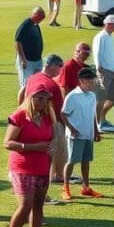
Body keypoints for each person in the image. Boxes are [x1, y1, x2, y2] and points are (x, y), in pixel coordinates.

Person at [3, 78, 56, 227]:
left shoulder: (48, 117)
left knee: (38, 207)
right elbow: (8, 143)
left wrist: (48, 155)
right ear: (30, 97)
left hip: (42, 167)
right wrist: (34, 147)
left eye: (45, 98)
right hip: (22, 168)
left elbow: (49, 141)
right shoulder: (19, 117)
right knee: (25, 206)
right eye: (39, 98)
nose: (42, 102)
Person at [61, 67, 103, 201]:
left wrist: (96, 131)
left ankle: (86, 188)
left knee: (86, 161)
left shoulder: (92, 96)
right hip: (76, 136)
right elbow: (63, 114)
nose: (93, 83)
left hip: (88, 134)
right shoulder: (72, 96)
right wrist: (71, 129)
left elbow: (92, 115)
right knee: (72, 161)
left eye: (93, 80)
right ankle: (65, 187)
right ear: (82, 80)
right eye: (90, 80)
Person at [25, 55, 66, 193]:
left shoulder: (32, 78)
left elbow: (23, 94)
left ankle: (54, 176)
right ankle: (50, 181)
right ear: (53, 66)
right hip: (48, 123)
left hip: (31, 120)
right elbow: (59, 107)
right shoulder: (51, 84)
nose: (61, 71)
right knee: (50, 155)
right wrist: (63, 123)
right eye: (60, 68)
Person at [92, 14, 114, 132]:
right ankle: (98, 124)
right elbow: (97, 52)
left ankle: (102, 118)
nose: (113, 27)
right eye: (111, 24)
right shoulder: (100, 37)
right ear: (107, 24)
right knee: (101, 98)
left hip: (112, 71)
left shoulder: (110, 37)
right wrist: (99, 67)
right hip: (104, 71)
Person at [14, 7, 46, 103]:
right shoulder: (25, 25)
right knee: (25, 85)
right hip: (27, 61)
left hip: (36, 60)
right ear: (35, 15)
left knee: (35, 84)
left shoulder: (35, 25)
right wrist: (23, 59)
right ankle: (20, 108)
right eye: (41, 17)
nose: (42, 19)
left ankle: (29, 106)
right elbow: (17, 42)